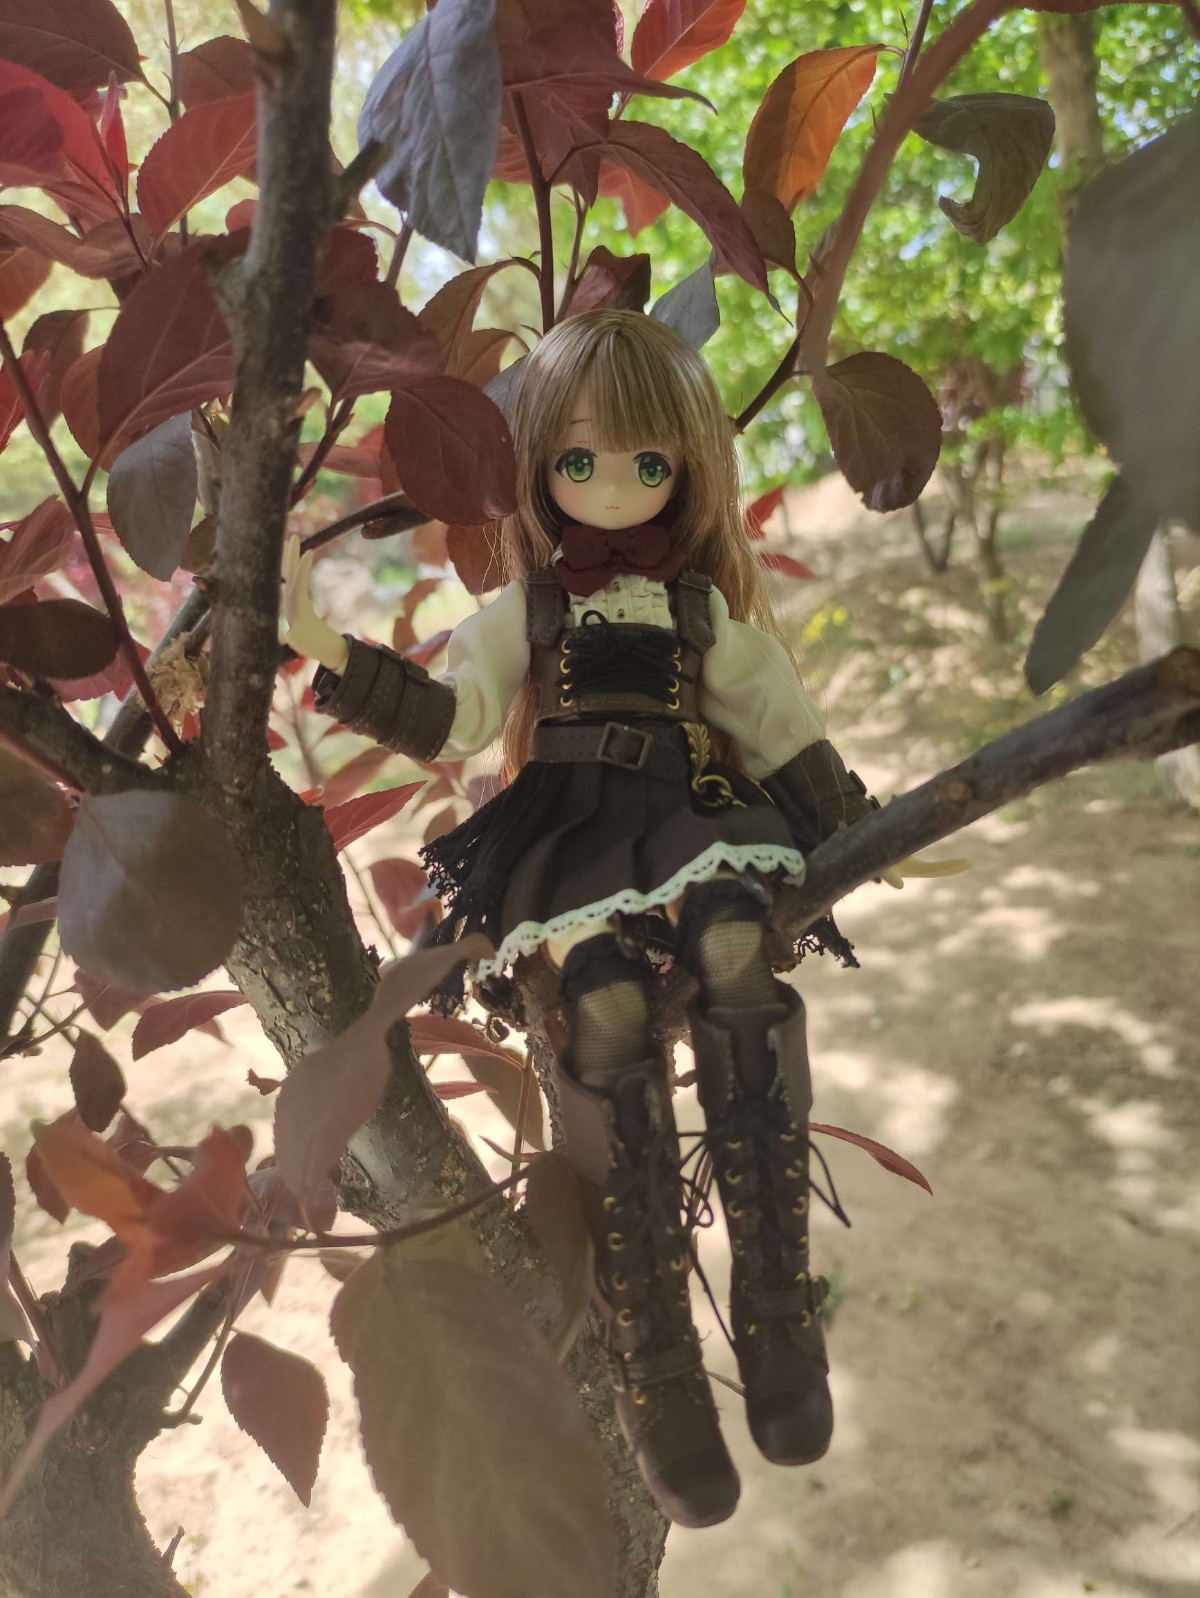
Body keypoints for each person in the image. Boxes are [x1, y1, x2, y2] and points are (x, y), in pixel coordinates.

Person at [283, 309, 884, 1529]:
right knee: (601, 999)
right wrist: (312, 641)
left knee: (734, 943)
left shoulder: (700, 614)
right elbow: (452, 718)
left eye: (647, 462)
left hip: (688, 815)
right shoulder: (530, 611)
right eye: (580, 459)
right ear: (540, 469)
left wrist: (870, 831)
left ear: (687, 470)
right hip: (568, 840)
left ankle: (776, 1293)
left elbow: (781, 726)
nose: (613, 486)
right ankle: (655, 1344)